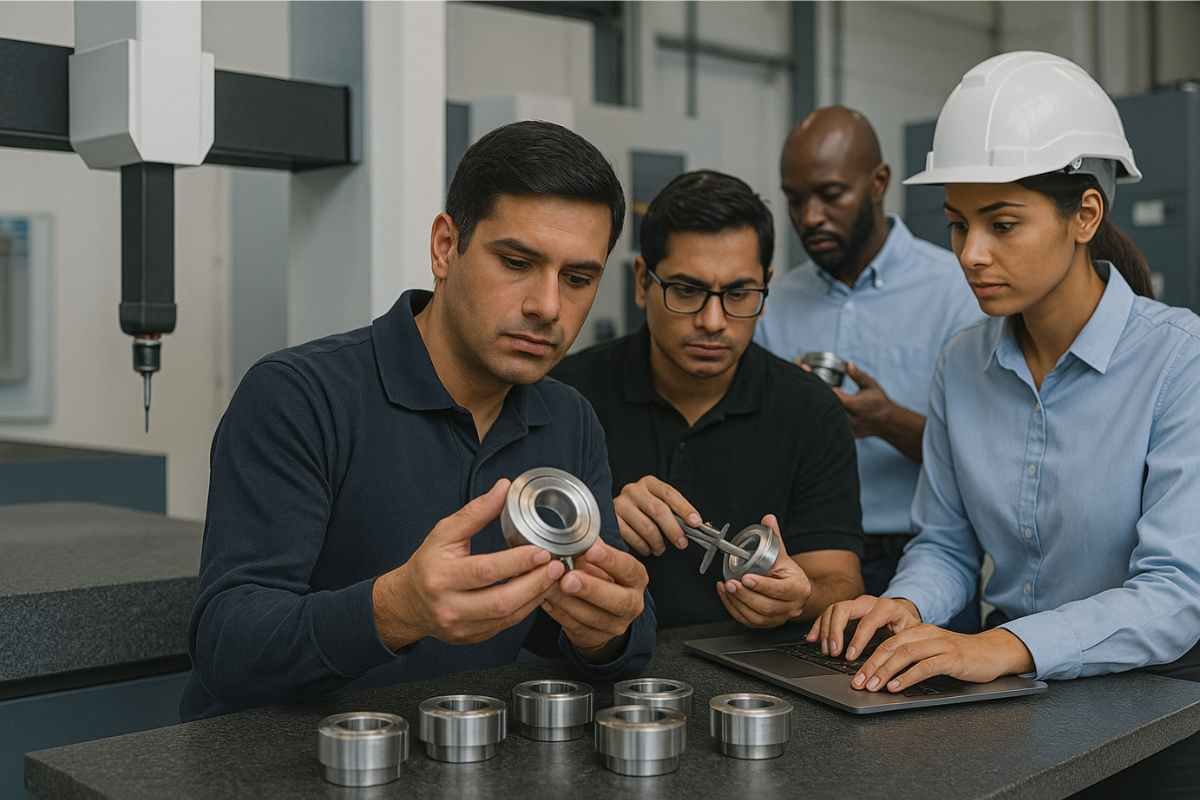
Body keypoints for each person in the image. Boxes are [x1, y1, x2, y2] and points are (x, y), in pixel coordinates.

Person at [807, 52, 1200, 798]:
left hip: (1162, 709)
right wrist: (907, 604)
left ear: (1086, 214)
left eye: (1003, 223)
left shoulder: (1180, 362)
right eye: (958, 225)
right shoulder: (963, 364)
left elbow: (1176, 596)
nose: (971, 255)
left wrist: (1002, 645)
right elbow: (948, 545)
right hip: (1012, 703)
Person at [182, 121, 656, 720]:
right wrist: (394, 609)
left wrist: (604, 630)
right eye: (516, 262)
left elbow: (616, 641)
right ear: (444, 248)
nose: (547, 306)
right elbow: (227, 644)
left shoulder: (569, 420)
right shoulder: (299, 396)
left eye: (578, 278)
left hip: (464, 758)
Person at [552, 170, 863, 629]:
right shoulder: (565, 395)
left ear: (766, 284)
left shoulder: (811, 410)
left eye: (739, 293)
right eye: (687, 290)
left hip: (754, 675)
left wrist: (798, 597)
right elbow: (511, 557)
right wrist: (593, 527)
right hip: (589, 669)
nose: (714, 321)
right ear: (642, 282)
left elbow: (839, 580)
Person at [755, 107, 983, 631]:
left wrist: (886, 421)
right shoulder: (776, 302)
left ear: (878, 182)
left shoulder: (957, 292)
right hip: (807, 566)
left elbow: (987, 463)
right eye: (795, 199)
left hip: (924, 559)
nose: (810, 217)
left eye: (831, 195)